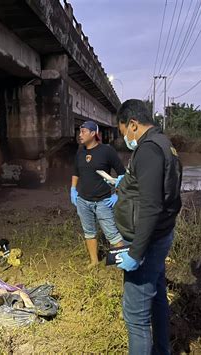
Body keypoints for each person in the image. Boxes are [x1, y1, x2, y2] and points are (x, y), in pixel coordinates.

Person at [114, 99, 182, 354]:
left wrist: (135, 253)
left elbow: (152, 206)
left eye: (123, 132)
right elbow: (162, 191)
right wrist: (127, 182)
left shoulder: (148, 150)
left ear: (132, 124)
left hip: (148, 242)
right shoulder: (164, 143)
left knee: (136, 317)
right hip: (160, 235)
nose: (124, 138)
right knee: (157, 299)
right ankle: (162, 350)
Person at [71, 121, 126, 268]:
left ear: (93, 133)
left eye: (83, 131)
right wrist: (73, 189)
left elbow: (123, 174)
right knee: (89, 232)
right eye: (79, 132)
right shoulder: (80, 151)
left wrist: (117, 194)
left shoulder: (107, 151)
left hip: (103, 201)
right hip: (83, 201)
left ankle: (123, 263)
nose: (80, 135)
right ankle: (94, 261)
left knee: (112, 234)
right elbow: (76, 172)